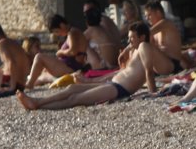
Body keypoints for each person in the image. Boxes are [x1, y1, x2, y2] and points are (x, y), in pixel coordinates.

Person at [17, 22, 154, 110]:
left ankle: (38, 105)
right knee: (72, 88)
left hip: (119, 90)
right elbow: (122, 70)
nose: (129, 41)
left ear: (142, 38)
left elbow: (149, 71)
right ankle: (37, 100)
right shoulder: (136, 48)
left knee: (75, 99)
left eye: (132, 38)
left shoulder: (144, 48)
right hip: (112, 83)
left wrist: (154, 92)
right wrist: (125, 51)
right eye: (128, 38)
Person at [25, 14, 89, 89]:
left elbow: (72, 52)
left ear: (61, 25)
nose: (58, 34)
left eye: (57, 31)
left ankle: (29, 84)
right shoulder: (73, 32)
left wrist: (60, 52)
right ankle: (29, 83)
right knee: (43, 72)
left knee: (39, 57)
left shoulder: (72, 33)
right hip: (70, 66)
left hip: (71, 68)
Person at [143, 0, 186, 73]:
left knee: (143, 45)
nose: (147, 19)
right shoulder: (154, 32)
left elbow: (143, 35)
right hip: (162, 64)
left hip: (172, 64)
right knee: (142, 45)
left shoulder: (166, 23)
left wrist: (127, 49)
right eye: (146, 16)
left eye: (149, 15)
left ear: (158, 13)